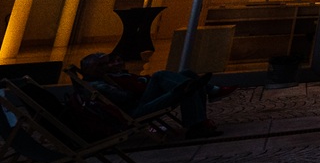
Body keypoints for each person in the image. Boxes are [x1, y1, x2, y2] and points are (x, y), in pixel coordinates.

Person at [77, 52, 227, 138]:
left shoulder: (105, 77)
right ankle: (205, 98)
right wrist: (134, 83)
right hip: (134, 111)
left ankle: (198, 116)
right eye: (103, 65)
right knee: (162, 77)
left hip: (138, 102)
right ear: (93, 68)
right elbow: (127, 97)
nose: (108, 66)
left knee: (186, 75)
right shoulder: (97, 84)